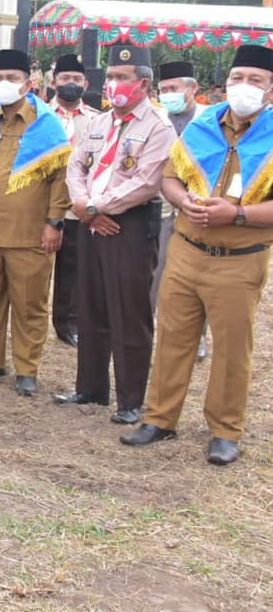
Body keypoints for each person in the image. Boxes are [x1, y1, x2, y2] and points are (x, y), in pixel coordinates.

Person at [121, 45, 273, 465]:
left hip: (239, 258)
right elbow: (169, 178)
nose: (244, 86)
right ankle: (159, 419)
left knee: (231, 350)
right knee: (173, 338)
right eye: (238, 78)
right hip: (187, 251)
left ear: (271, 90)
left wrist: (237, 214)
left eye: (256, 80)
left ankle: (225, 431)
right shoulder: (203, 125)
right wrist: (182, 199)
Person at [56, 43, 175, 424]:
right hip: (92, 221)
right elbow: (76, 167)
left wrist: (94, 208)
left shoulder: (158, 127)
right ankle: (90, 388)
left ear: (144, 84)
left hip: (130, 226)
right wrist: (84, 206)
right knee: (89, 305)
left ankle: (131, 399)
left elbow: (146, 182)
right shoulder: (99, 122)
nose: (112, 84)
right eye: (109, 77)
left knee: (129, 312)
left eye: (122, 77)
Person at [0, 50, 71, 396]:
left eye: (12, 78)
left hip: (29, 234)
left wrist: (54, 222)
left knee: (29, 305)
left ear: (29, 82)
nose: (4, 84)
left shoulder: (46, 124)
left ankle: (27, 368)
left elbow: (60, 178)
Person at [153, 60, 210, 360]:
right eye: (163, 90)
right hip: (161, 206)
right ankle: (149, 328)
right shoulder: (155, 117)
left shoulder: (210, 119)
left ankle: (197, 337)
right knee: (155, 271)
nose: (168, 95)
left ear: (192, 88)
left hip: (200, 207)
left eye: (173, 88)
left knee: (198, 277)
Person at [49, 54, 99, 347]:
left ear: (86, 84)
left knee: (74, 269)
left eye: (77, 79)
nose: (71, 83)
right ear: (53, 82)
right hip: (43, 206)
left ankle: (67, 323)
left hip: (78, 206)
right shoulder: (40, 116)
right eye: (65, 78)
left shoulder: (96, 120)